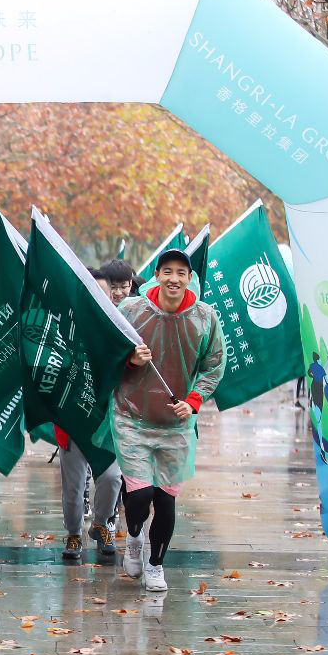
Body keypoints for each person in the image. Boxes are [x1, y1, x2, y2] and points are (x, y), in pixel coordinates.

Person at [114, 248, 225, 592]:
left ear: (189, 278)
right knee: (139, 494)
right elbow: (105, 351)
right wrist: (130, 358)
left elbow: (214, 364)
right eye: (167, 271)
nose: (174, 278)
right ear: (156, 276)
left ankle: (155, 564)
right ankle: (133, 537)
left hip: (176, 422)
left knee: (165, 499)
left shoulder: (205, 318)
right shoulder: (131, 310)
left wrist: (193, 402)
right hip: (132, 415)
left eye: (181, 272)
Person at [57, 265, 127, 564]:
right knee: (74, 487)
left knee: (111, 479)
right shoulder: (65, 325)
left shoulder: (123, 327)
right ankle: (74, 533)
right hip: (73, 421)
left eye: (105, 290)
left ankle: (101, 524)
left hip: (108, 421)